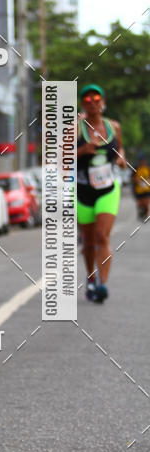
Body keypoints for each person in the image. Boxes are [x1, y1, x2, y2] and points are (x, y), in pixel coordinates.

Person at [76, 84, 125, 303]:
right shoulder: (75, 129)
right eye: (87, 99)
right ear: (82, 105)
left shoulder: (114, 127)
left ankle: (103, 285)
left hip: (107, 189)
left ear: (102, 102)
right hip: (83, 191)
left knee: (102, 236)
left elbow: (120, 149)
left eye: (96, 98)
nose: (92, 102)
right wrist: (82, 151)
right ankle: (91, 276)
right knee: (87, 241)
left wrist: (121, 158)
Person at [133, 155, 150, 220]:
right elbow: (132, 178)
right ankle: (141, 213)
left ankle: (147, 215)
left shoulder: (147, 168)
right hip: (138, 190)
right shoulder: (136, 169)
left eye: (143, 161)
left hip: (146, 189)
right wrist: (137, 180)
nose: (143, 162)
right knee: (140, 203)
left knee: (146, 203)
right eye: (141, 161)